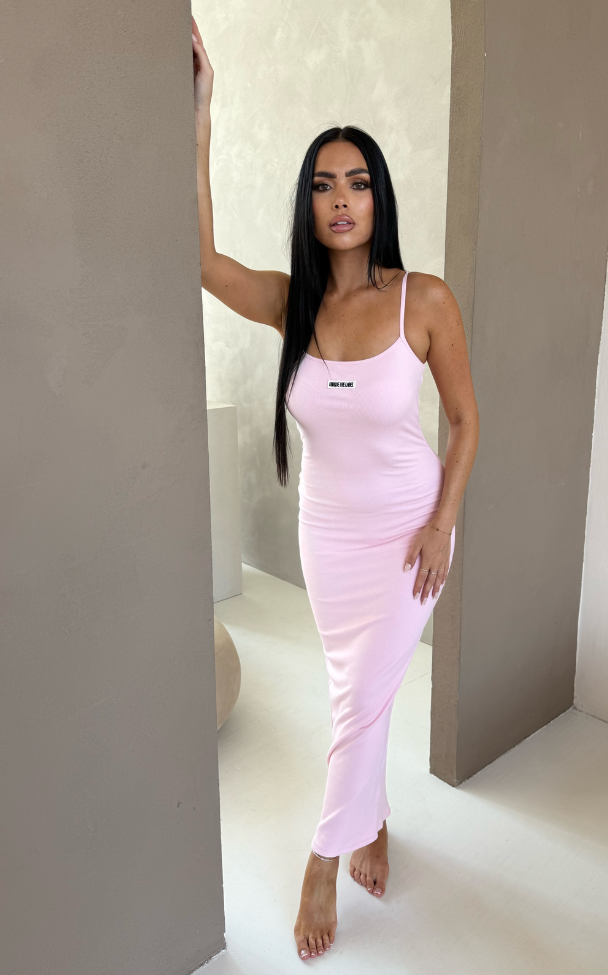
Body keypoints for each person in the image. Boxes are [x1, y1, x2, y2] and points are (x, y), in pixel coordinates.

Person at [192, 18, 479, 962]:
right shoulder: (292, 302)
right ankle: (374, 818)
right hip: (329, 536)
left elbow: (467, 421)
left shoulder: (424, 299)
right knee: (360, 690)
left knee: (360, 695)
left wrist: (443, 523)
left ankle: (324, 857)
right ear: (308, 204)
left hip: (408, 532)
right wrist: (202, 114)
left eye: (357, 182)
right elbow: (201, 262)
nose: (341, 198)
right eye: (323, 184)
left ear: (378, 197)